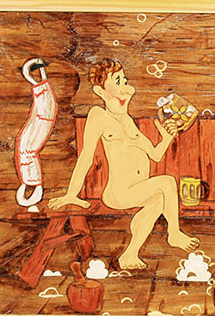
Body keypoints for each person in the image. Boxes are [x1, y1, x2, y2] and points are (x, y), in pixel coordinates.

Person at [48, 59, 199, 269]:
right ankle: (173, 233)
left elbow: (155, 155)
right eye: (118, 81)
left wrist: (166, 138)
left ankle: (130, 254)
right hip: (118, 193)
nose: (126, 87)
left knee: (158, 199)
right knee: (167, 182)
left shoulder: (129, 122)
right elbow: (86, 156)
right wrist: (71, 194)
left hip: (137, 190)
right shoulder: (99, 116)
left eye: (125, 81)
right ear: (100, 91)